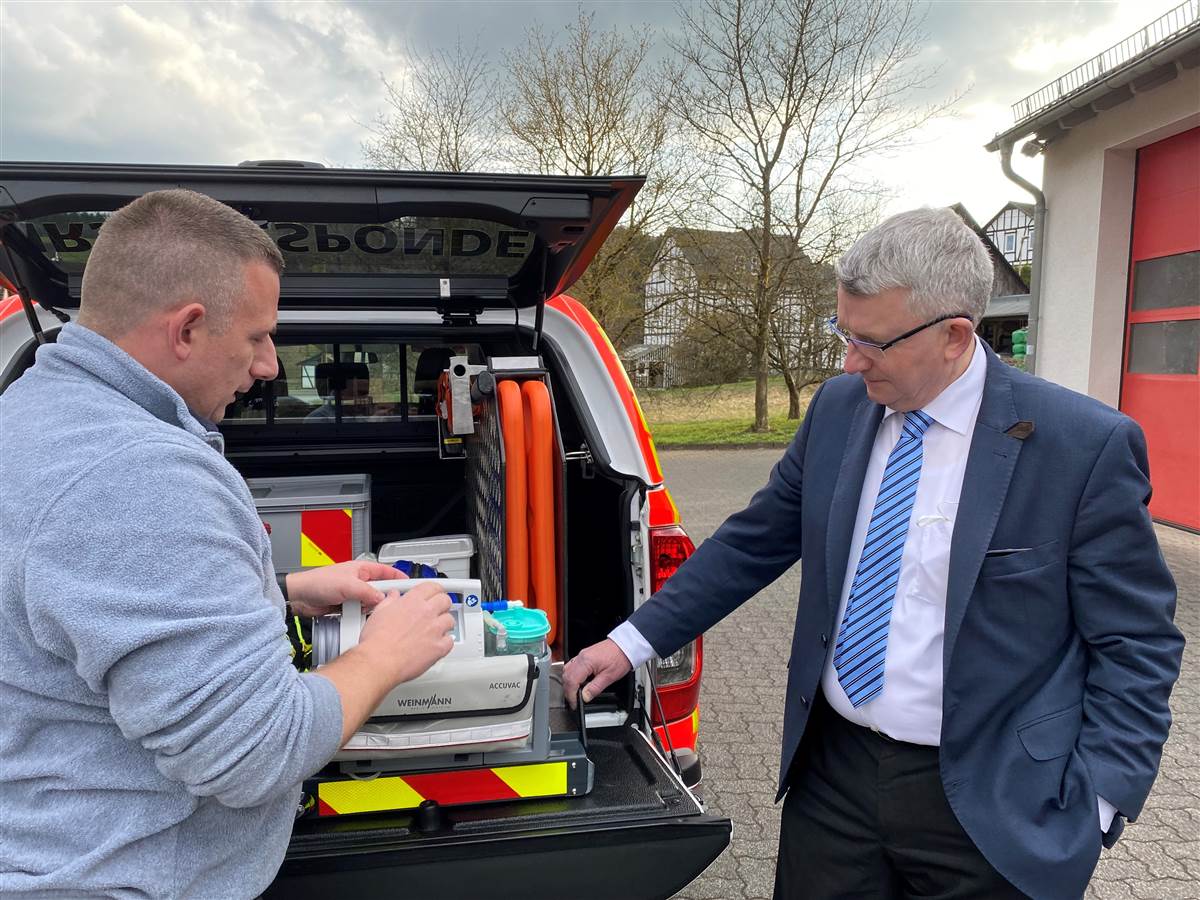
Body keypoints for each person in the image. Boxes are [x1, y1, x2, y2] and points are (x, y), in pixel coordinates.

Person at [564, 207, 1184, 900]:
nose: (848, 360)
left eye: (870, 342)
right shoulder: (838, 411)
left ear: (954, 335)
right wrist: (629, 644)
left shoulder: (1081, 447)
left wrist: (1098, 802)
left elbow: (1137, 641)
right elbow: (753, 542)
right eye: (842, 332)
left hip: (996, 796)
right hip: (835, 780)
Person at [0, 189, 456, 898]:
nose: (270, 365)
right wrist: (384, 655)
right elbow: (257, 753)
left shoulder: (29, 417)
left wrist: (282, 591)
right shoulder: (137, 472)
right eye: (257, 337)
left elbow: (80, 617)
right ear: (186, 330)